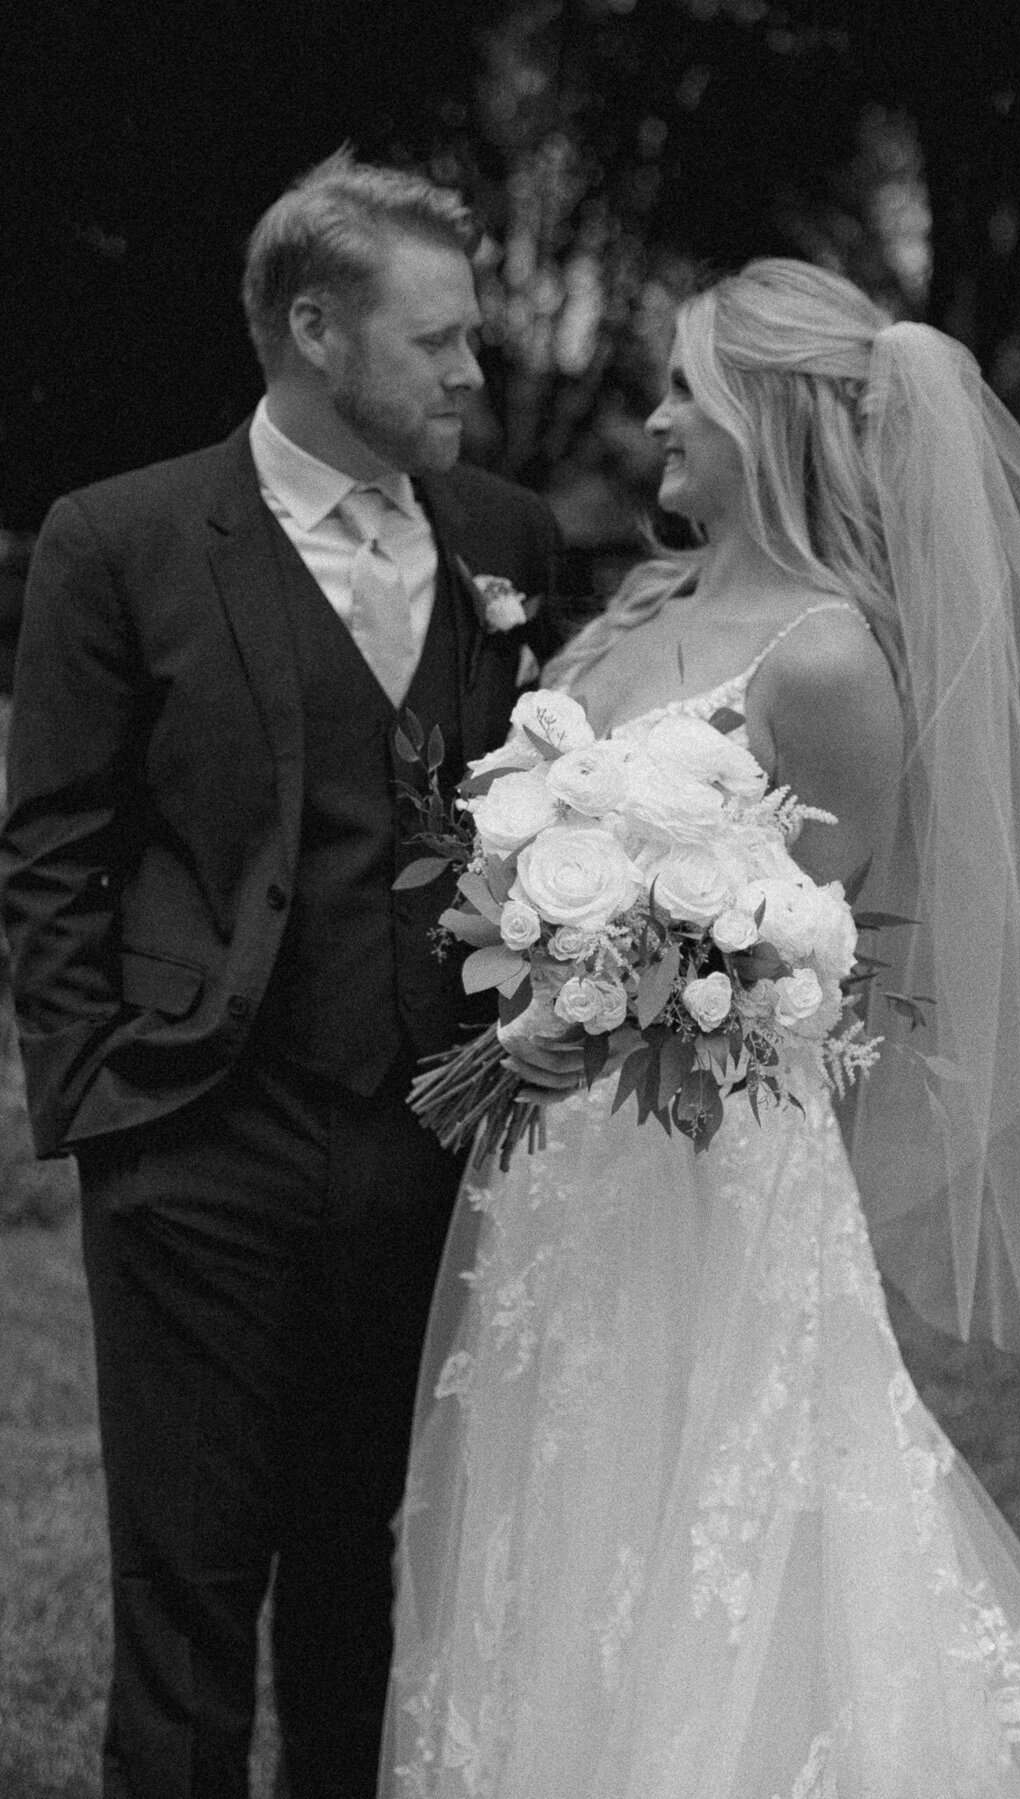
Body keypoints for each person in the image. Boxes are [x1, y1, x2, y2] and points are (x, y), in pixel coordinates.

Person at [377, 262, 1020, 1796]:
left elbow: (830, 963)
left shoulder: (826, 656)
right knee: (561, 1518)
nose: (654, 416)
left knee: (730, 1541)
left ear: (767, 414)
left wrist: (635, 1015)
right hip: (561, 1181)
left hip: (714, 1184)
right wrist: (545, 996)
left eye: (686, 386)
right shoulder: (645, 601)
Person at [0, 151, 561, 1799]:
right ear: (314, 332)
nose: (473, 373)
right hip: (195, 1140)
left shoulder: (507, 536)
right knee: (185, 1586)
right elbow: (51, 847)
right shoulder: (125, 539)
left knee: (365, 1570)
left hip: (435, 1143)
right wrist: (106, 1103)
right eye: (439, 341)